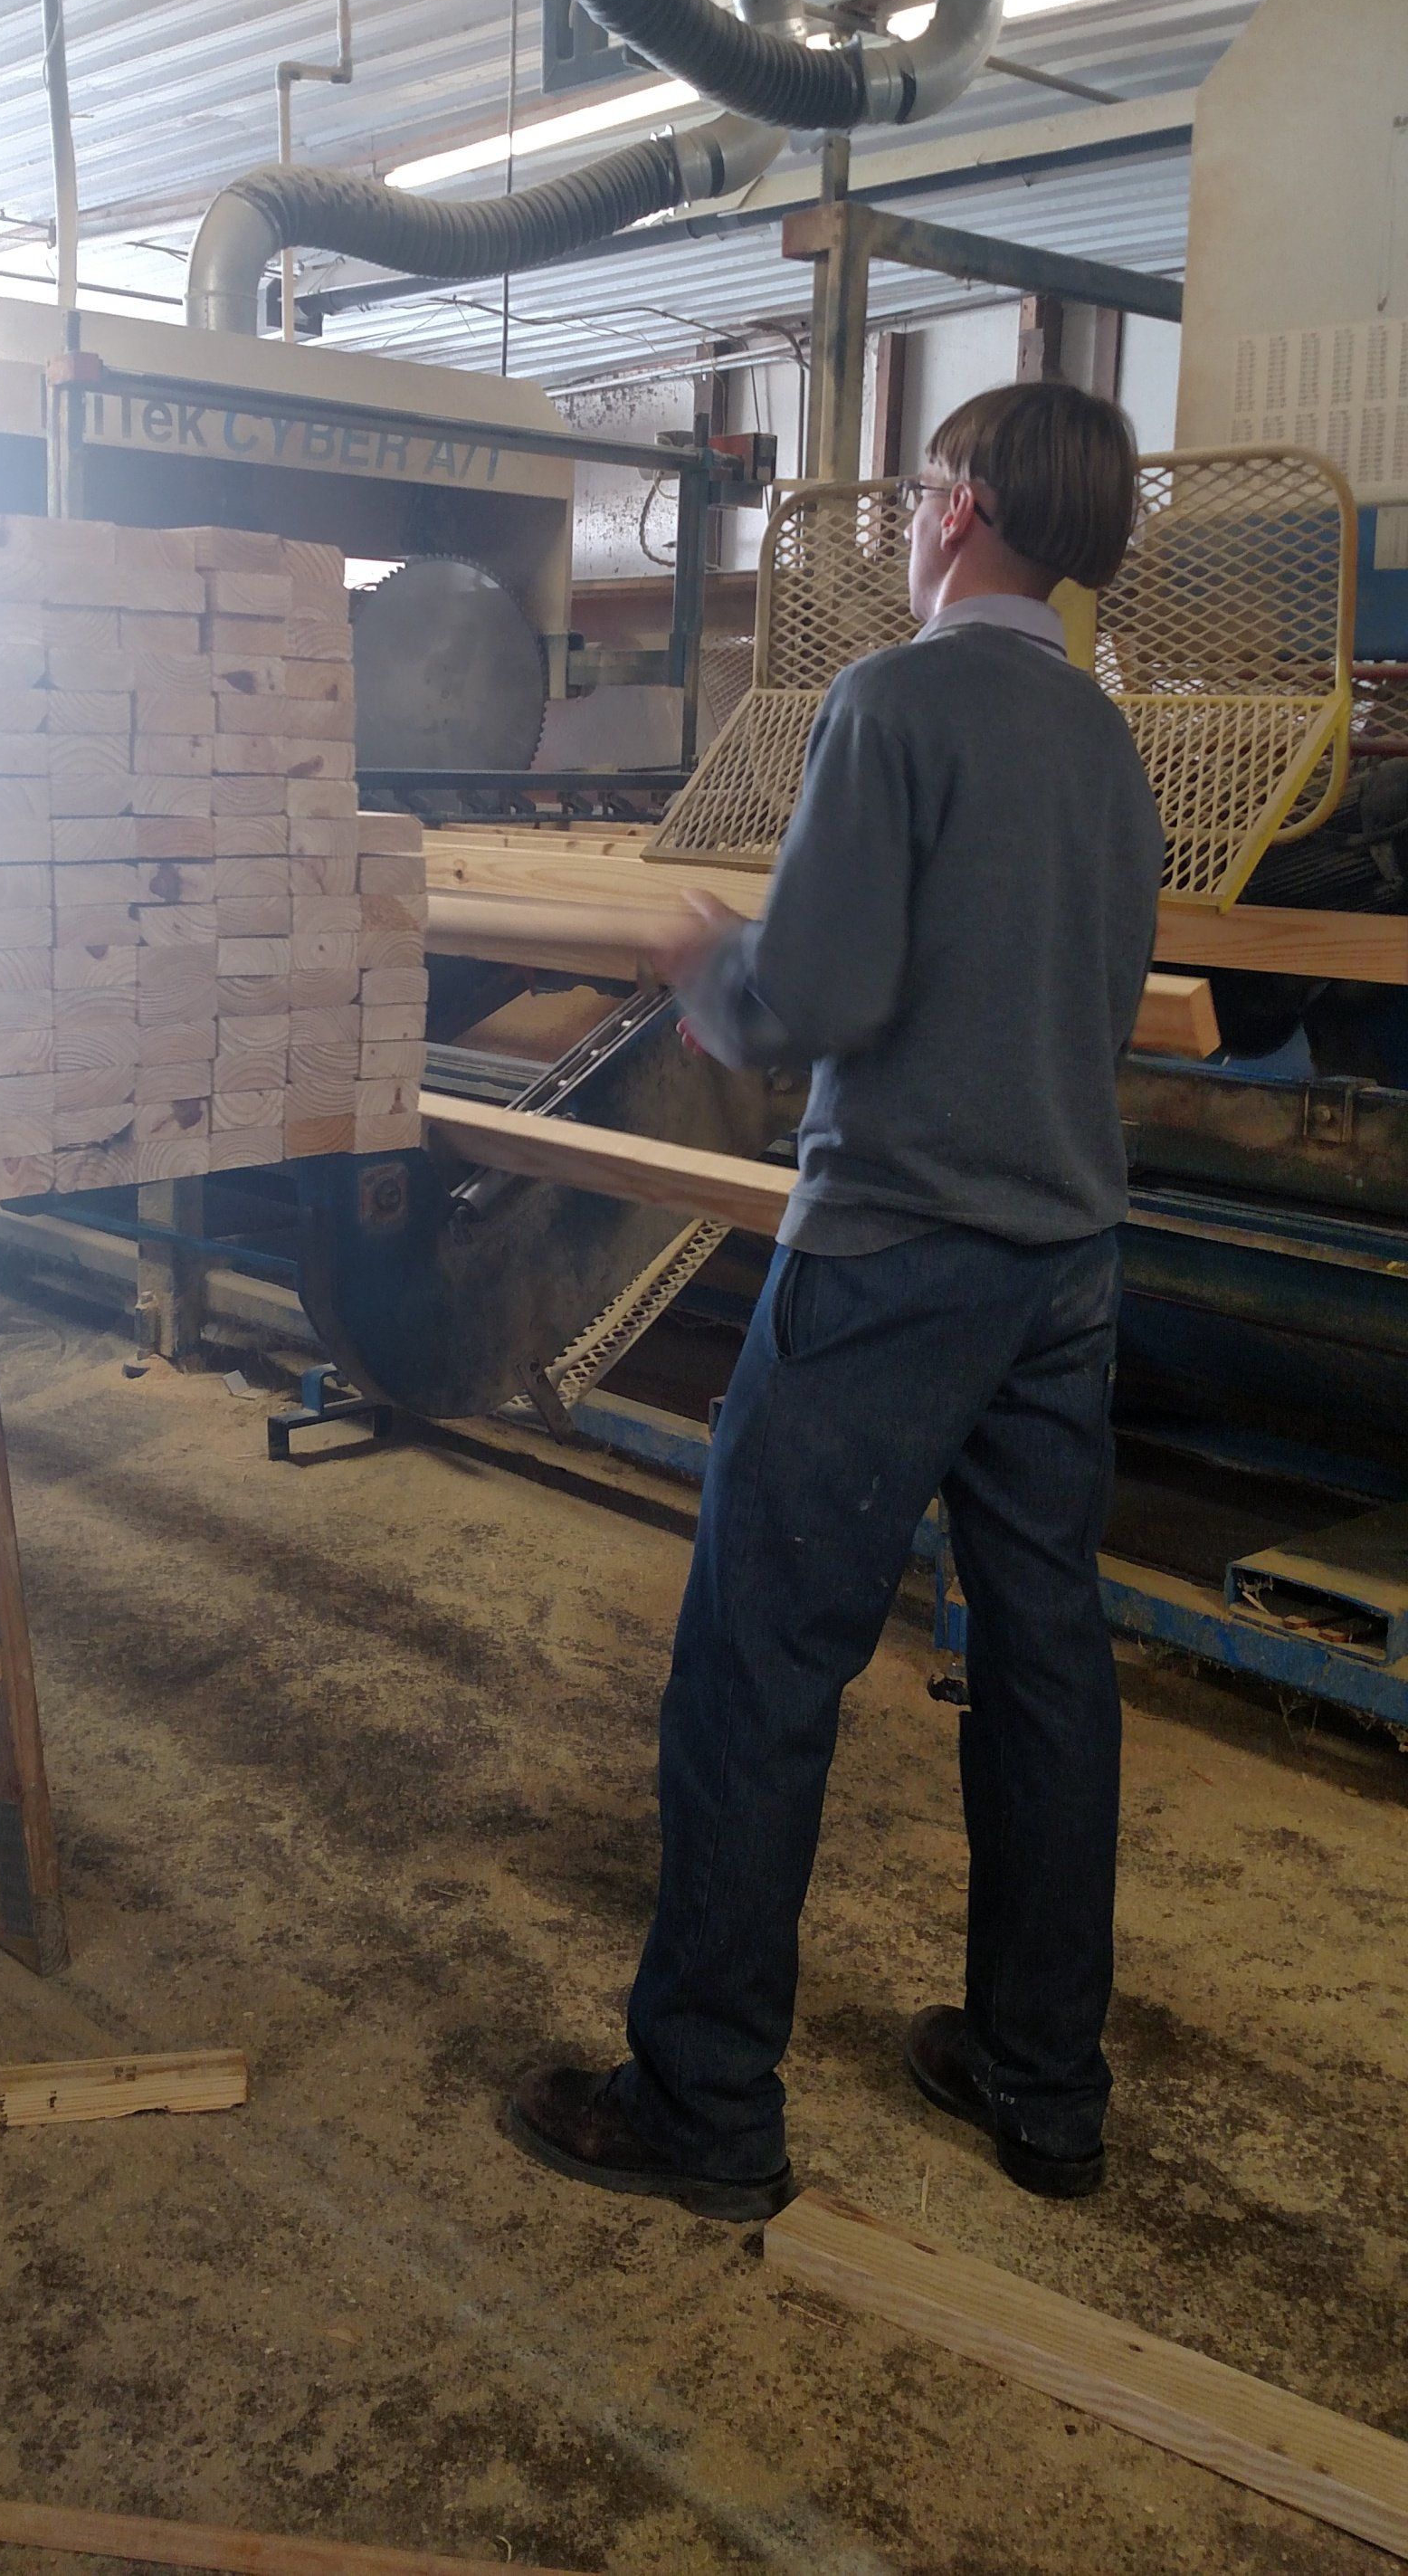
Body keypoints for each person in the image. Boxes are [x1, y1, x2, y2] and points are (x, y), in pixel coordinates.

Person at [507, 377, 1165, 2221]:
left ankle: (704, 2104)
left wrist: (713, 962)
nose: (908, 519)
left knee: (759, 1664)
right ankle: (1042, 2086)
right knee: (1043, 1667)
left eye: (922, 488)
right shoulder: (1107, 745)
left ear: (957, 509)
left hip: (892, 1261)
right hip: (1065, 1262)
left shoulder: (894, 704)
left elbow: (820, 1000)